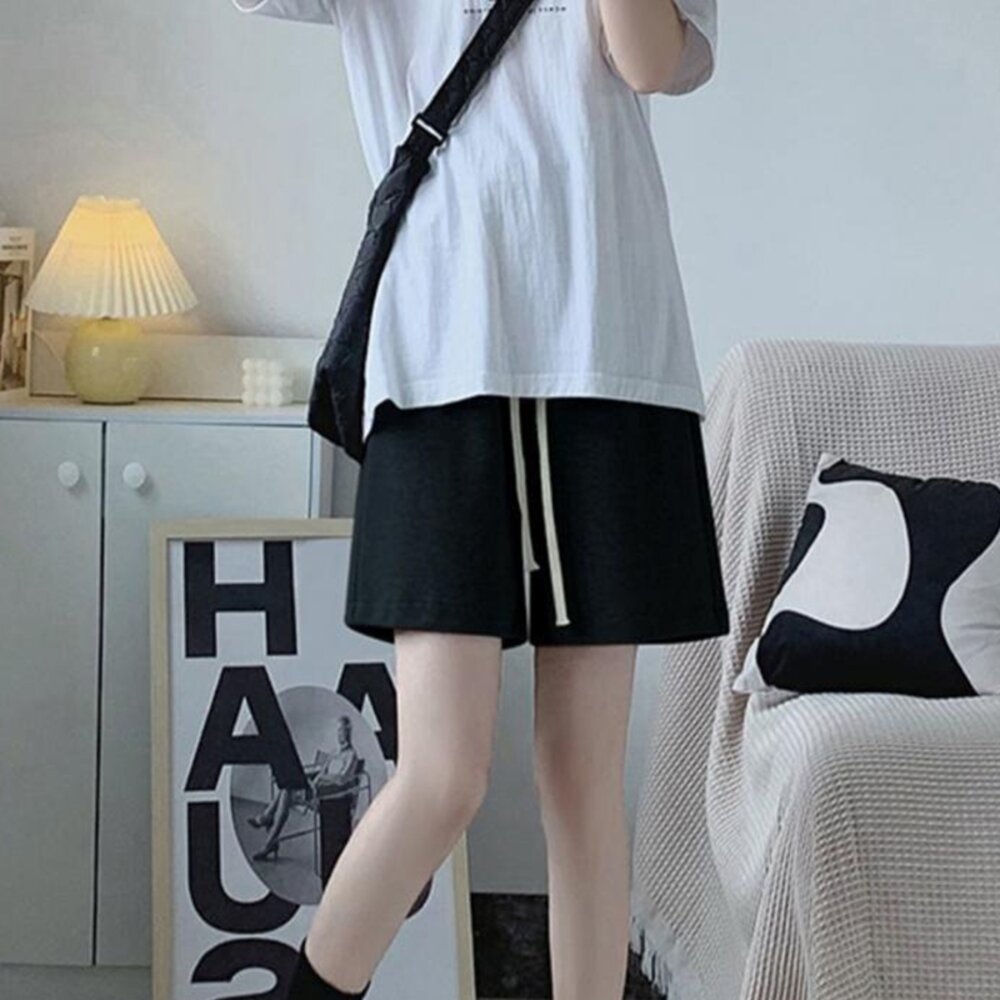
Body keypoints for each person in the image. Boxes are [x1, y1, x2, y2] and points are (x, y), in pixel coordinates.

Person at [231, 1, 729, 997]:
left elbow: (647, 59)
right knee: (442, 775)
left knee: (582, 778)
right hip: (439, 365)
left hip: (606, 358)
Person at [248, 715, 361, 861]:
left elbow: (342, 779)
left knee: (286, 792)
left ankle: (267, 823)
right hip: (316, 791)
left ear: (349, 732)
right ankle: (269, 838)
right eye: (338, 730)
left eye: (343, 730)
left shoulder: (352, 755)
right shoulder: (334, 752)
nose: (340, 734)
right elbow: (321, 772)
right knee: (286, 788)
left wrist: (321, 780)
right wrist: (309, 780)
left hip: (329, 798)